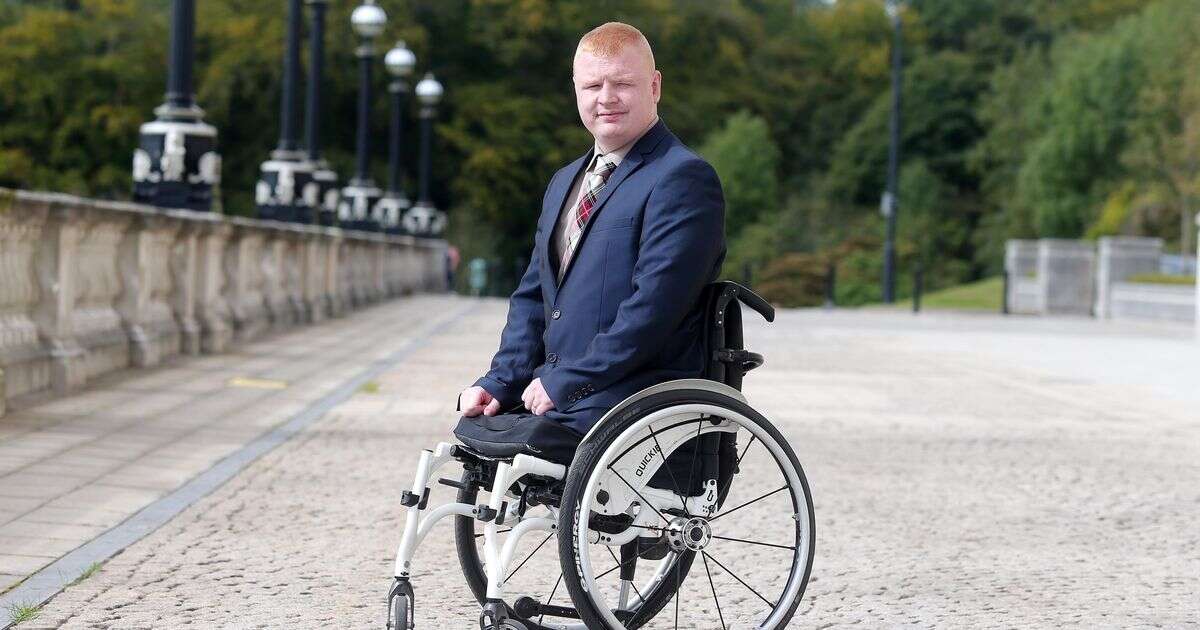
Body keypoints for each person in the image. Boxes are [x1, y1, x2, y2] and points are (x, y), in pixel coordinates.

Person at [456, 21, 726, 454]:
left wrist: (568, 381)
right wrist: (500, 382)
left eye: (622, 83)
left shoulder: (682, 178)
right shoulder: (565, 180)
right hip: (559, 396)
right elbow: (532, 299)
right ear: (576, 90)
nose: (606, 98)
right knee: (466, 437)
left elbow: (654, 309)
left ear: (654, 86)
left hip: (631, 398)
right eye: (592, 85)